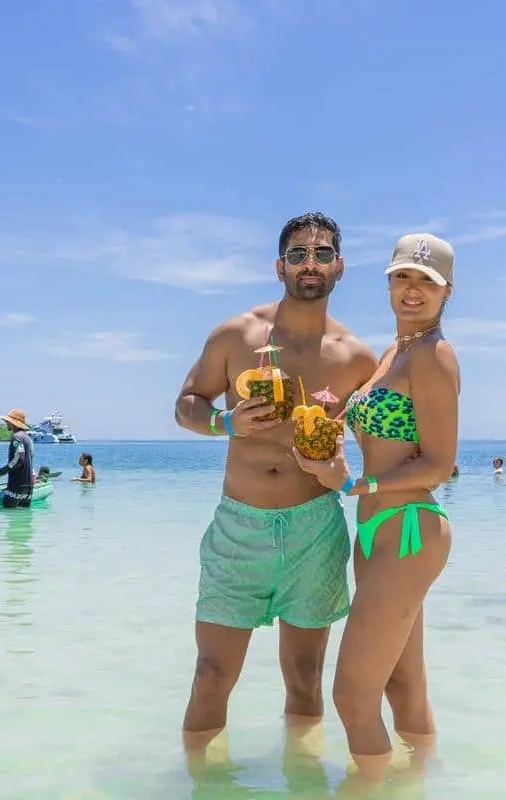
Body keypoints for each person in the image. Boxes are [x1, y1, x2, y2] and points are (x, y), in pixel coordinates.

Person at [173, 212, 378, 746]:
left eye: (322, 254)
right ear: (279, 266)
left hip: (315, 529)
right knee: (210, 675)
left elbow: (382, 452)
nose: (310, 263)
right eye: (298, 254)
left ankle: (302, 777)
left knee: (305, 679)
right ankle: (199, 780)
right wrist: (225, 422)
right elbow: (187, 404)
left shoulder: (358, 359)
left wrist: (350, 480)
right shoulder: (236, 335)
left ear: (339, 267)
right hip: (239, 527)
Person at [294, 232, 460, 783]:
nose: (412, 290)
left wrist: (355, 486)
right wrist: (324, 416)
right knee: (402, 683)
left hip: (409, 529)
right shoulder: (396, 351)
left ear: (447, 291)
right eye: (402, 277)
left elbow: (439, 464)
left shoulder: (434, 356)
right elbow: (369, 422)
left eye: (426, 281)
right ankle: (419, 781)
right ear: (388, 283)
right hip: (378, 535)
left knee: (351, 694)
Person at [0, 408, 34, 507]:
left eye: (8, 422)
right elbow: (30, 458)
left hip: (17, 484)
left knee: (10, 512)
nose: (6, 423)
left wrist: (0, 472)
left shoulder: (17, 437)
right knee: (24, 515)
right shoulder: (28, 438)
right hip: (29, 484)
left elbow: (19, 460)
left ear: (14, 423)